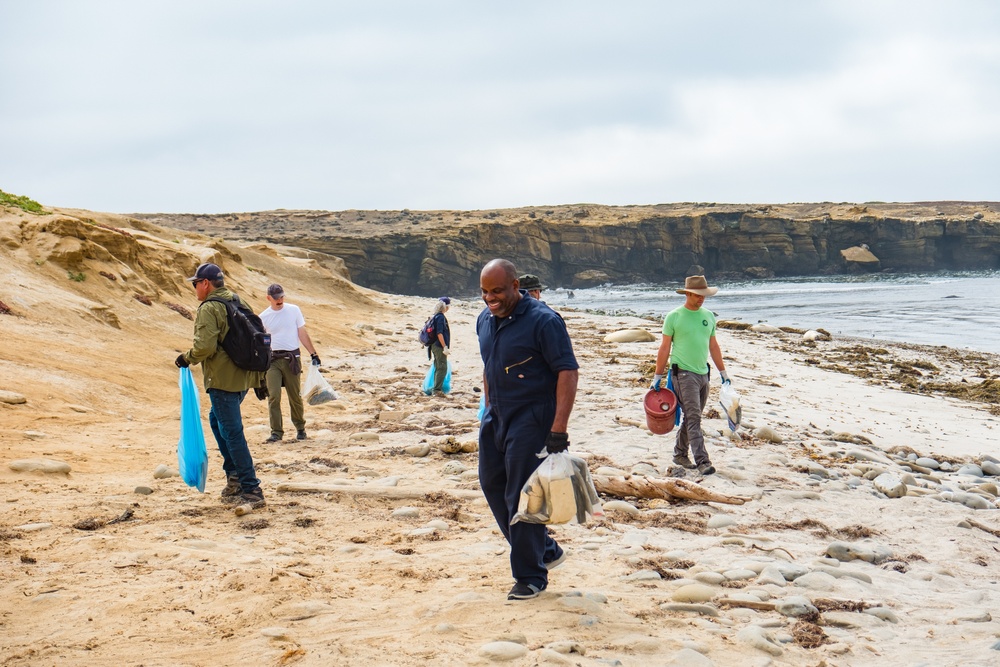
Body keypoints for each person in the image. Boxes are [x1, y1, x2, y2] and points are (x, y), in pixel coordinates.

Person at [477, 259, 579, 600]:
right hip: (496, 416)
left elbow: (567, 371)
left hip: (533, 417)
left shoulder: (544, 321)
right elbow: (489, 366)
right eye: (485, 292)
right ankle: (546, 550)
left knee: (521, 495)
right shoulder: (484, 321)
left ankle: (530, 576)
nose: (490, 298)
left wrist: (558, 430)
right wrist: (487, 409)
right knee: (492, 484)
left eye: (497, 291)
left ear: (516, 286)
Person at [175, 263, 266, 507]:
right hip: (243, 377)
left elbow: (205, 347)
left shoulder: (209, 308)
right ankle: (235, 477)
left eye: (195, 283)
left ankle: (251, 489)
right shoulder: (237, 300)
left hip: (223, 381)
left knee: (232, 432)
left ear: (205, 283)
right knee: (218, 422)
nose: (194, 288)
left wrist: (186, 358)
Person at [650, 275, 730, 476]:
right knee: (694, 417)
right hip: (683, 374)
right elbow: (664, 348)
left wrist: (723, 372)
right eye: (697, 295)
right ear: (687, 293)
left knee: (693, 417)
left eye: (704, 294)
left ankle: (679, 453)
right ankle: (703, 461)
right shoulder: (674, 317)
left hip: (704, 373)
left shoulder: (709, 316)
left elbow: (713, 346)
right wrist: (657, 377)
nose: (701, 298)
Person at [259, 283, 321, 442]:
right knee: (274, 396)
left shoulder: (294, 310)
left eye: (281, 296)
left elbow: (302, 333)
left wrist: (313, 353)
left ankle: (300, 428)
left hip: (292, 359)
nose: (279, 300)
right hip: (273, 361)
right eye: (276, 298)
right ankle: (276, 432)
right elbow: (262, 342)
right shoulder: (263, 317)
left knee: (295, 395)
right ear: (268, 298)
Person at [426, 296, 451, 396]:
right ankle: (436, 390)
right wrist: (444, 346)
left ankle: (435, 388)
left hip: (433, 345)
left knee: (437, 365)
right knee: (442, 367)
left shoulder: (435, 315)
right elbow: (439, 333)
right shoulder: (440, 317)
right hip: (438, 345)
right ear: (446, 307)